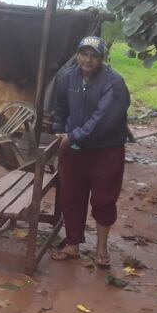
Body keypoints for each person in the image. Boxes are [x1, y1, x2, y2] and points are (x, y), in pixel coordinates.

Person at [50, 35, 130, 267]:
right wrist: (58, 132)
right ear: (77, 55)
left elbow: (103, 119)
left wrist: (73, 136)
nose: (88, 59)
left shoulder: (113, 83)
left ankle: (101, 248)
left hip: (106, 151)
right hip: (75, 151)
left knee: (104, 199)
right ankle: (73, 244)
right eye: (84, 54)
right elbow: (60, 107)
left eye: (94, 56)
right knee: (71, 197)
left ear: (102, 59)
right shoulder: (67, 78)